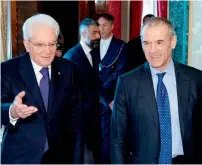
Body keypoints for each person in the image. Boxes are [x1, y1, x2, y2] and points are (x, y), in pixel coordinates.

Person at [111, 17, 202, 164]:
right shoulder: (127, 82)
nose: (152, 50)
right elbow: (117, 139)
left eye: (159, 42)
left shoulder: (196, 79)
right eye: (146, 43)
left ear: (173, 42)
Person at [1, 14, 81, 164]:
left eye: (52, 44)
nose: (48, 51)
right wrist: (12, 111)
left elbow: (76, 118)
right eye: (40, 45)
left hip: (60, 157)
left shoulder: (68, 69)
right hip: (20, 158)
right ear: (27, 44)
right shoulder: (7, 70)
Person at [63, 18, 102, 164]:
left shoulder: (97, 53)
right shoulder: (71, 57)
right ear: (84, 33)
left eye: (98, 32)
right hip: (80, 118)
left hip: (95, 116)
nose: (98, 36)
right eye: (94, 33)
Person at [96, 12, 128, 163]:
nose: (101, 29)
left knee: (107, 136)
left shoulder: (121, 47)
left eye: (104, 25)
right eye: (99, 25)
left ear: (112, 26)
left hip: (111, 98)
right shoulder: (92, 44)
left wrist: (105, 93)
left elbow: (119, 72)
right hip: (92, 97)